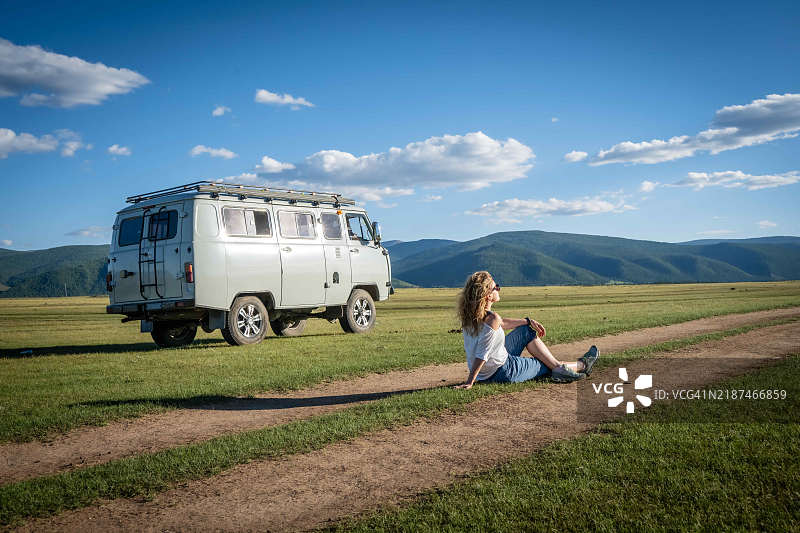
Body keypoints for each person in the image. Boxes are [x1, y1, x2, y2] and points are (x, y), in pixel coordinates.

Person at [454, 271, 599, 389]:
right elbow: (482, 354)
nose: (498, 289)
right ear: (488, 295)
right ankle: (581, 365)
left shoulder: (472, 317)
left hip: (489, 369)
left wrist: (528, 321)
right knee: (545, 364)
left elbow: (502, 323)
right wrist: (470, 382)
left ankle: (559, 367)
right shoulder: (492, 318)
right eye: (495, 287)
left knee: (526, 330)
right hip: (503, 371)